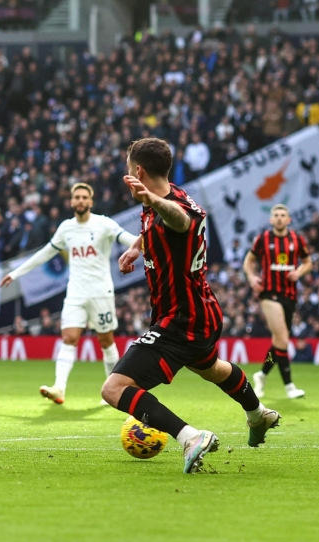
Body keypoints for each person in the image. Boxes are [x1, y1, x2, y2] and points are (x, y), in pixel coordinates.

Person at [103, 138, 280, 474]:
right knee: (211, 369)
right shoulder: (169, 194)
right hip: (201, 312)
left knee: (114, 388)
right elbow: (166, 219)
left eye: (129, 169)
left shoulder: (167, 204)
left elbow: (180, 222)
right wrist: (138, 246)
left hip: (181, 319)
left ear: (139, 171)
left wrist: (149, 199)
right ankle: (258, 414)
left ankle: (189, 437)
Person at [0, 183, 139, 405]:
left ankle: (115, 389)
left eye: (85, 197)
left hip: (101, 292)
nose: (81, 200)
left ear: (91, 202)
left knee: (106, 341)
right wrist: (16, 273)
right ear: (72, 201)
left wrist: (145, 241)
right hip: (75, 293)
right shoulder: (66, 227)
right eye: (77, 197)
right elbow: (45, 253)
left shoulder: (103, 224)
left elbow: (128, 238)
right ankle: (59, 388)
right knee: (69, 338)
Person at [243, 204, 312, 399]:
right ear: (271, 219)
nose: (280, 218)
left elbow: (308, 262)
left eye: (283, 215)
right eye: (276, 215)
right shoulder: (263, 239)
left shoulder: (297, 239)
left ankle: (262, 375)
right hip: (269, 293)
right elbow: (248, 261)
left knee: (278, 342)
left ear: (289, 219)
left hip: (290, 295)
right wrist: (252, 277)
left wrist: (299, 271)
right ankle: (289, 386)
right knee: (282, 338)